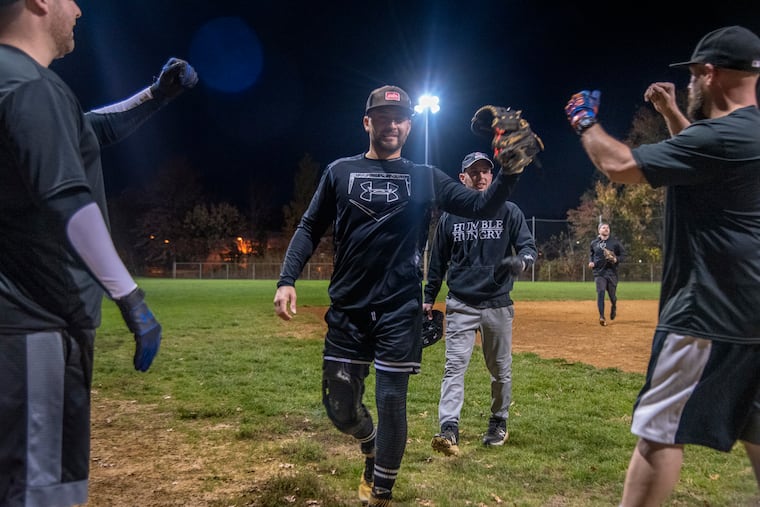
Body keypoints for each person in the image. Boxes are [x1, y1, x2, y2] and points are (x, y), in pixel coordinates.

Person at [273, 85, 531, 506]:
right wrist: (287, 278)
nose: (392, 124)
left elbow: (483, 206)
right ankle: (369, 443)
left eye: (400, 117)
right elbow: (308, 227)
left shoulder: (425, 177)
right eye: (383, 116)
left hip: (399, 310)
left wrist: (510, 171)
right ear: (367, 121)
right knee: (340, 408)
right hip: (349, 310)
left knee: (392, 401)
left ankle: (381, 493)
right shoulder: (340, 171)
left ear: (409, 125)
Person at [0, 0, 198, 505]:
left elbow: (91, 129)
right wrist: (131, 299)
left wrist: (156, 95)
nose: (79, 9)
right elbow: (68, 197)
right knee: (42, 490)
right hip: (37, 322)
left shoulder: (17, 83)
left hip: (18, 322)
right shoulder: (30, 86)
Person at [564, 25, 760, 506]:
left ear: (708, 73)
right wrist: (671, 111)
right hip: (752, 310)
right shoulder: (747, 132)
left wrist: (584, 121)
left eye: (694, 76)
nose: (691, 84)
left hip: (709, 310)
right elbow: (704, 156)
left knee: (660, 430)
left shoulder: (721, 137)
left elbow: (619, 166)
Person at [422, 151, 537, 457]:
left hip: (497, 303)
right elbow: (437, 261)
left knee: (499, 369)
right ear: (462, 179)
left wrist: (522, 262)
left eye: (486, 171)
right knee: (453, 367)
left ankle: (499, 421)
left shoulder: (508, 210)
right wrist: (428, 297)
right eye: (474, 172)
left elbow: (528, 246)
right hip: (460, 303)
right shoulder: (450, 216)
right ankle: (448, 427)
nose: (482, 176)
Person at [588, 221, 624, 326]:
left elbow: (623, 254)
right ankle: (602, 317)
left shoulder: (615, 243)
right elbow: (591, 254)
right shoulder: (594, 243)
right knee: (601, 293)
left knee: (612, 296)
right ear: (599, 230)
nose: (606, 229)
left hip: (612, 272)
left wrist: (616, 259)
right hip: (599, 273)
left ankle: (614, 306)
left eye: (607, 228)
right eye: (603, 227)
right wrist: (591, 261)